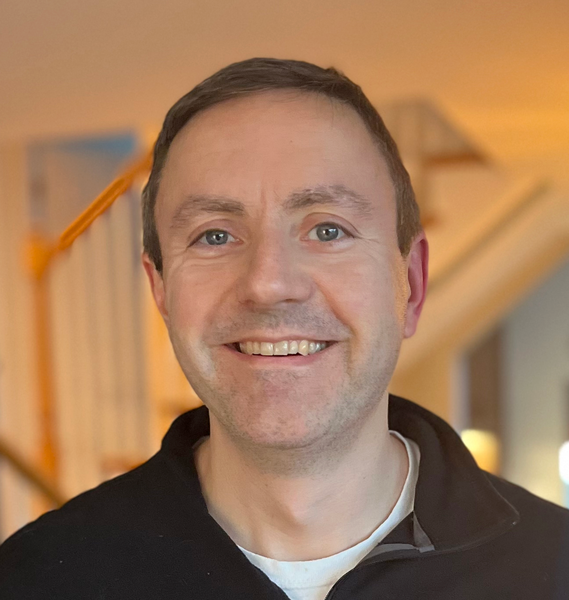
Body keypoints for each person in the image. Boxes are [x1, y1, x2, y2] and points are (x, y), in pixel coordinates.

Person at [1, 58, 568, 600]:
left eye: (328, 230)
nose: (269, 283)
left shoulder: (556, 568)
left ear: (412, 285)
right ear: (162, 292)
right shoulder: (32, 581)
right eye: (215, 235)